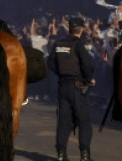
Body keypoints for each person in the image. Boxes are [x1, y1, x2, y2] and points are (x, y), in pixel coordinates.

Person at [47, 18, 94, 161]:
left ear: (69, 29)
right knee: (84, 121)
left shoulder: (58, 44)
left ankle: (61, 155)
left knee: (64, 122)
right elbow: (87, 65)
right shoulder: (78, 44)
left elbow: (50, 63)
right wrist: (87, 79)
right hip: (77, 86)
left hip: (63, 85)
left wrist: (61, 74)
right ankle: (85, 156)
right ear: (81, 29)